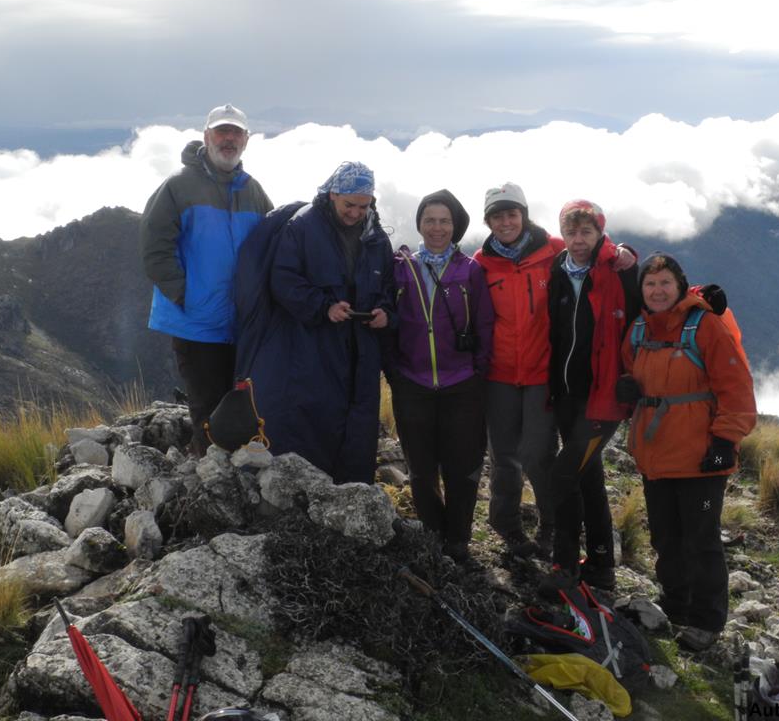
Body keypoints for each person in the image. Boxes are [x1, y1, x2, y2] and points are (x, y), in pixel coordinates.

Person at [617, 252, 757, 651]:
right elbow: (631, 368)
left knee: (701, 540)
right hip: (655, 455)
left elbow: (736, 386)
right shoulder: (640, 328)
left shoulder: (704, 326)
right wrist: (627, 385)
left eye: (665, 283)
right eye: (650, 284)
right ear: (642, 290)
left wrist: (725, 441)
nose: (657, 290)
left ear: (680, 286)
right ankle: (675, 606)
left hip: (701, 458)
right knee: (666, 537)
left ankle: (706, 622)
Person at [240, 162, 395, 484]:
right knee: (312, 418)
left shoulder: (377, 238)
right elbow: (283, 280)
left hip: (360, 350)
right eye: (349, 205)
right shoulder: (303, 227)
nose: (356, 213)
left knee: (356, 423)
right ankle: (306, 493)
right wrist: (323, 307)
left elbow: (388, 288)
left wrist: (384, 311)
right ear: (333, 194)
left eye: (363, 206)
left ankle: (351, 493)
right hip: (311, 344)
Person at [140, 103, 273, 456]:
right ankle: (207, 472)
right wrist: (185, 295)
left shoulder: (253, 191)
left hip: (242, 321)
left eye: (236, 133)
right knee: (207, 404)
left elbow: (273, 243)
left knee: (243, 402)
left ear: (246, 140)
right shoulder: (178, 187)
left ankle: (239, 469)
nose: (229, 139)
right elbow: (155, 248)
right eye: (221, 131)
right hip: (196, 323)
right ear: (206, 136)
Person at [386, 190, 495, 563]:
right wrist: (395, 371)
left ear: (456, 225)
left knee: (462, 467)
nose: (437, 228)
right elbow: (389, 321)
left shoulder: (470, 271)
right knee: (420, 468)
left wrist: (477, 372)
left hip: (462, 385)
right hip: (411, 383)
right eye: (429, 220)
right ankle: (433, 535)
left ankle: (458, 539)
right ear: (419, 224)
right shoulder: (402, 268)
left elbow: (484, 324)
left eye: (444, 221)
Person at [542, 200, 640, 595]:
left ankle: (564, 565)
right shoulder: (558, 269)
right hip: (567, 398)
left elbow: (652, 309)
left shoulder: (618, 270)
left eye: (586, 231)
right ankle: (601, 566)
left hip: (604, 399)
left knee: (563, 475)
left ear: (600, 233)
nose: (578, 239)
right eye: (571, 232)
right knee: (588, 479)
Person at [473, 183, 565, 558]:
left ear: (523, 215)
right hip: (499, 374)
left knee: (538, 454)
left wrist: (622, 253)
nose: (505, 222)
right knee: (503, 457)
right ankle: (506, 526)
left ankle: (551, 525)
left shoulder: (553, 250)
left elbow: (594, 251)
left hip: (542, 372)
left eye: (512, 214)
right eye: (497, 216)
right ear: (488, 222)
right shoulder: (481, 263)